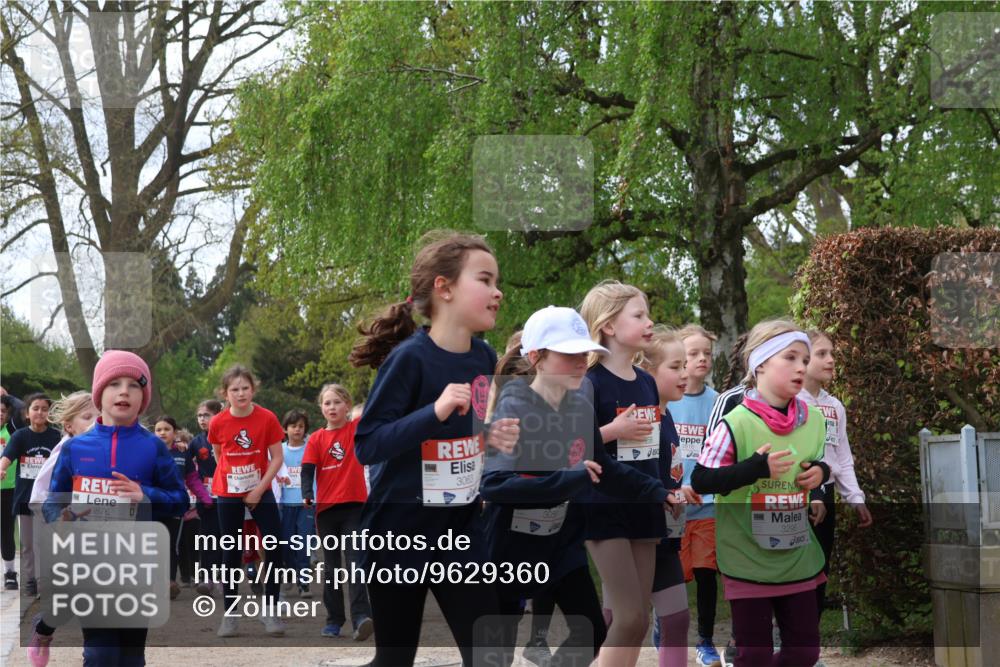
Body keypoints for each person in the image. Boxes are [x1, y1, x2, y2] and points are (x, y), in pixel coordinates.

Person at [349, 230, 519, 667]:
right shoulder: (409, 358)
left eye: (497, 281)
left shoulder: (484, 357)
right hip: (398, 534)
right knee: (395, 659)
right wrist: (435, 411)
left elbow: (465, 436)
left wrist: (489, 438)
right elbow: (367, 444)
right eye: (484, 280)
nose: (497, 291)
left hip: (460, 532)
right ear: (443, 289)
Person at [483, 309, 677, 667]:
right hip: (510, 547)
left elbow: (602, 465)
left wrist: (656, 490)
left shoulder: (578, 403)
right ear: (536, 357)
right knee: (495, 656)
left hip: (561, 545)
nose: (579, 363)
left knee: (591, 631)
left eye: (582, 354)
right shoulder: (515, 404)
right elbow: (494, 485)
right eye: (568, 354)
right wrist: (568, 478)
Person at [691, 321, 830, 667]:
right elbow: (702, 479)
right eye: (791, 358)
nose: (803, 367)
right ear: (761, 362)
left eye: (805, 359)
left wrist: (821, 475)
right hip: (747, 557)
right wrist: (756, 468)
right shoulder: (735, 422)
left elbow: (817, 462)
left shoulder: (813, 419)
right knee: (755, 657)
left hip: (796, 556)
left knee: (805, 653)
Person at [43, 350, 188, 667]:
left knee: (131, 657)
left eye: (134, 385)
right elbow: (54, 502)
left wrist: (144, 494)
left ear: (143, 398)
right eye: (114, 384)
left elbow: (180, 500)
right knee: (100, 654)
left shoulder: (152, 447)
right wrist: (63, 520)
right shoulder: (75, 448)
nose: (124, 391)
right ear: (99, 394)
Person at [578, 280, 684, 667]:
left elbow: (653, 451)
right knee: (629, 617)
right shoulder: (588, 383)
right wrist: (612, 431)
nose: (649, 321)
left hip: (647, 506)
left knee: (639, 623)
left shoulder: (645, 383)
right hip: (603, 507)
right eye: (638, 315)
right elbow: (576, 449)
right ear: (608, 325)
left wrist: (666, 491)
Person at [207, 365, 287, 637]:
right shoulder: (217, 422)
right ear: (225, 393)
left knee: (275, 545)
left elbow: (277, 458)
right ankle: (230, 616)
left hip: (260, 489)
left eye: (245, 388)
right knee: (231, 552)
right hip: (228, 492)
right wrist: (233, 483)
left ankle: (271, 609)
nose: (240, 394)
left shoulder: (267, 418)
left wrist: (257, 490)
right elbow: (219, 455)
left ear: (253, 389)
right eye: (234, 389)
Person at [800, 330, 873, 623]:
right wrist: (809, 494)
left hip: (826, 496)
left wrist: (855, 498)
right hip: (794, 495)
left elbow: (842, 457)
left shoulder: (834, 406)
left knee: (819, 572)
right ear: (803, 362)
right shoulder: (792, 403)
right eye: (822, 354)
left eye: (832, 354)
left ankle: (808, 648)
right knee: (791, 574)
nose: (831, 360)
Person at [24, 391, 97, 666]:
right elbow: (41, 496)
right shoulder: (65, 451)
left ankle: (94, 655)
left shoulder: (106, 447)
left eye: (98, 417)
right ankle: (43, 629)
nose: (95, 423)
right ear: (69, 426)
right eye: (87, 417)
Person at [640, 326, 698, 667]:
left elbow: (665, 473)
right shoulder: (642, 419)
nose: (685, 373)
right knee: (623, 622)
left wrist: (679, 491)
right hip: (638, 537)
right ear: (648, 371)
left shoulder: (669, 414)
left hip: (668, 538)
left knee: (676, 621)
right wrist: (660, 494)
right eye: (675, 367)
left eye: (685, 365)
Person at [301, 384, 373, 640]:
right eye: (327, 403)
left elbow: (376, 405)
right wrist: (307, 492)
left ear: (347, 405)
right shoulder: (317, 439)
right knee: (332, 569)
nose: (332, 407)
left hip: (354, 507)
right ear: (321, 408)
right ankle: (334, 620)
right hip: (327, 512)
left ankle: (362, 618)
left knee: (355, 566)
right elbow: (308, 469)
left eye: (337, 402)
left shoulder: (356, 430)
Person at [670, 324, 723, 667]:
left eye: (706, 353)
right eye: (693, 353)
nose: (702, 358)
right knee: (672, 580)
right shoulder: (666, 400)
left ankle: (705, 642)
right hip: (671, 506)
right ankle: (668, 635)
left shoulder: (718, 402)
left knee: (707, 574)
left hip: (706, 505)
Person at [0, 393, 60, 598]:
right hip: (25, 497)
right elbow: (6, 456)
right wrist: (2, 468)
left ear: (49, 413)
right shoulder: (20, 436)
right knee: (27, 544)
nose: (40, 412)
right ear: (27, 413)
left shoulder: (56, 437)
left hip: (49, 499)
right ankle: (31, 580)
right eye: (35, 408)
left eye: (44, 409)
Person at [278, 408, 315, 600]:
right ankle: (291, 572)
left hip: (307, 503)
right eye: (293, 426)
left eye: (301, 426)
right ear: (285, 429)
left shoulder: (311, 447)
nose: (297, 430)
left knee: (304, 543)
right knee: (286, 544)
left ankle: (304, 583)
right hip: (285, 504)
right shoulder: (280, 450)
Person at [189, 399, 222, 596]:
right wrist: (181, 447)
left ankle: (225, 577)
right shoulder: (196, 442)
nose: (202, 419)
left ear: (218, 415)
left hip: (227, 494)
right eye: (199, 415)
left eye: (206, 415)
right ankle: (207, 577)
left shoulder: (227, 437)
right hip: (206, 497)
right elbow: (186, 463)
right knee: (207, 537)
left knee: (226, 538)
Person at [1, 395, 18, 590]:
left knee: (6, 531)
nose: (0, 414)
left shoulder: (12, 431)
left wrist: (7, 396)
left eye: (3, 411)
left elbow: (22, 407)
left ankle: (10, 572)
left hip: (8, 490)